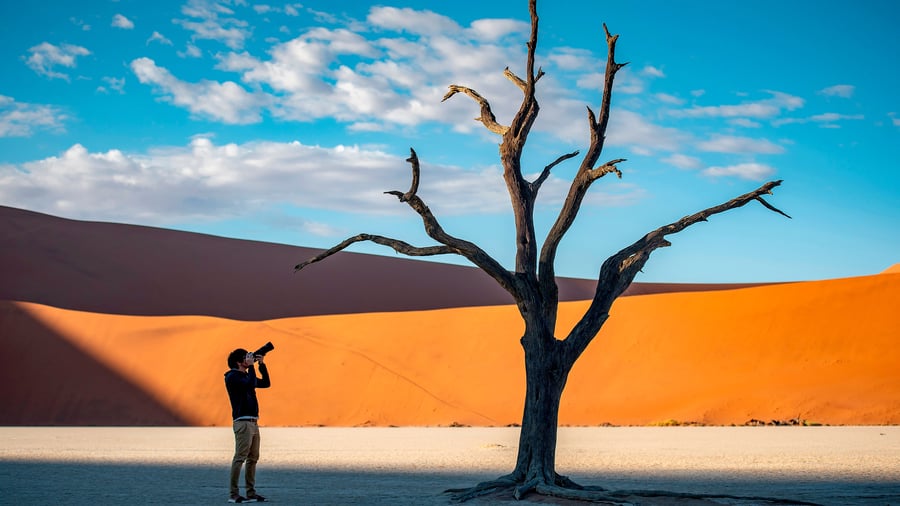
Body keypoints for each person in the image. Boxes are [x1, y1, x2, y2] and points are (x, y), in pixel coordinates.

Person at [225, 348, 271, 503]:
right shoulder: (232, 377)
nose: (249, 359)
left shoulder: (245, 376)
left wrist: (261, 365)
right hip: (243, 422)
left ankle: (251, 493)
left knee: (253, 458)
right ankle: (233, 494)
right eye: (246, 357)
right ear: (239, 361)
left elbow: (266, 383)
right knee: (240, 458)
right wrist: (252, 367)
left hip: (253, 422)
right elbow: (249, 383)